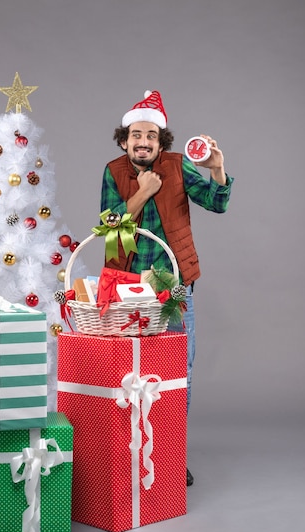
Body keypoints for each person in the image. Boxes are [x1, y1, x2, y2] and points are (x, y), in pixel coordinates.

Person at [100, 90, 234, 487]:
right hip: (126, 284)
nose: (143, 142)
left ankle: (171, 454)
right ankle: (124, 451)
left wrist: (217, 169)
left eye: (151, 136)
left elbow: (217, 202)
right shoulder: (113, 170)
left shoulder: (176, 167)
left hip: (174, 287)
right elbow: (108, 226)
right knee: (125, 372)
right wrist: (143, 191)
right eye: (136, 135)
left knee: (177, 373)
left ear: (162, 142)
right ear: (124, 140)